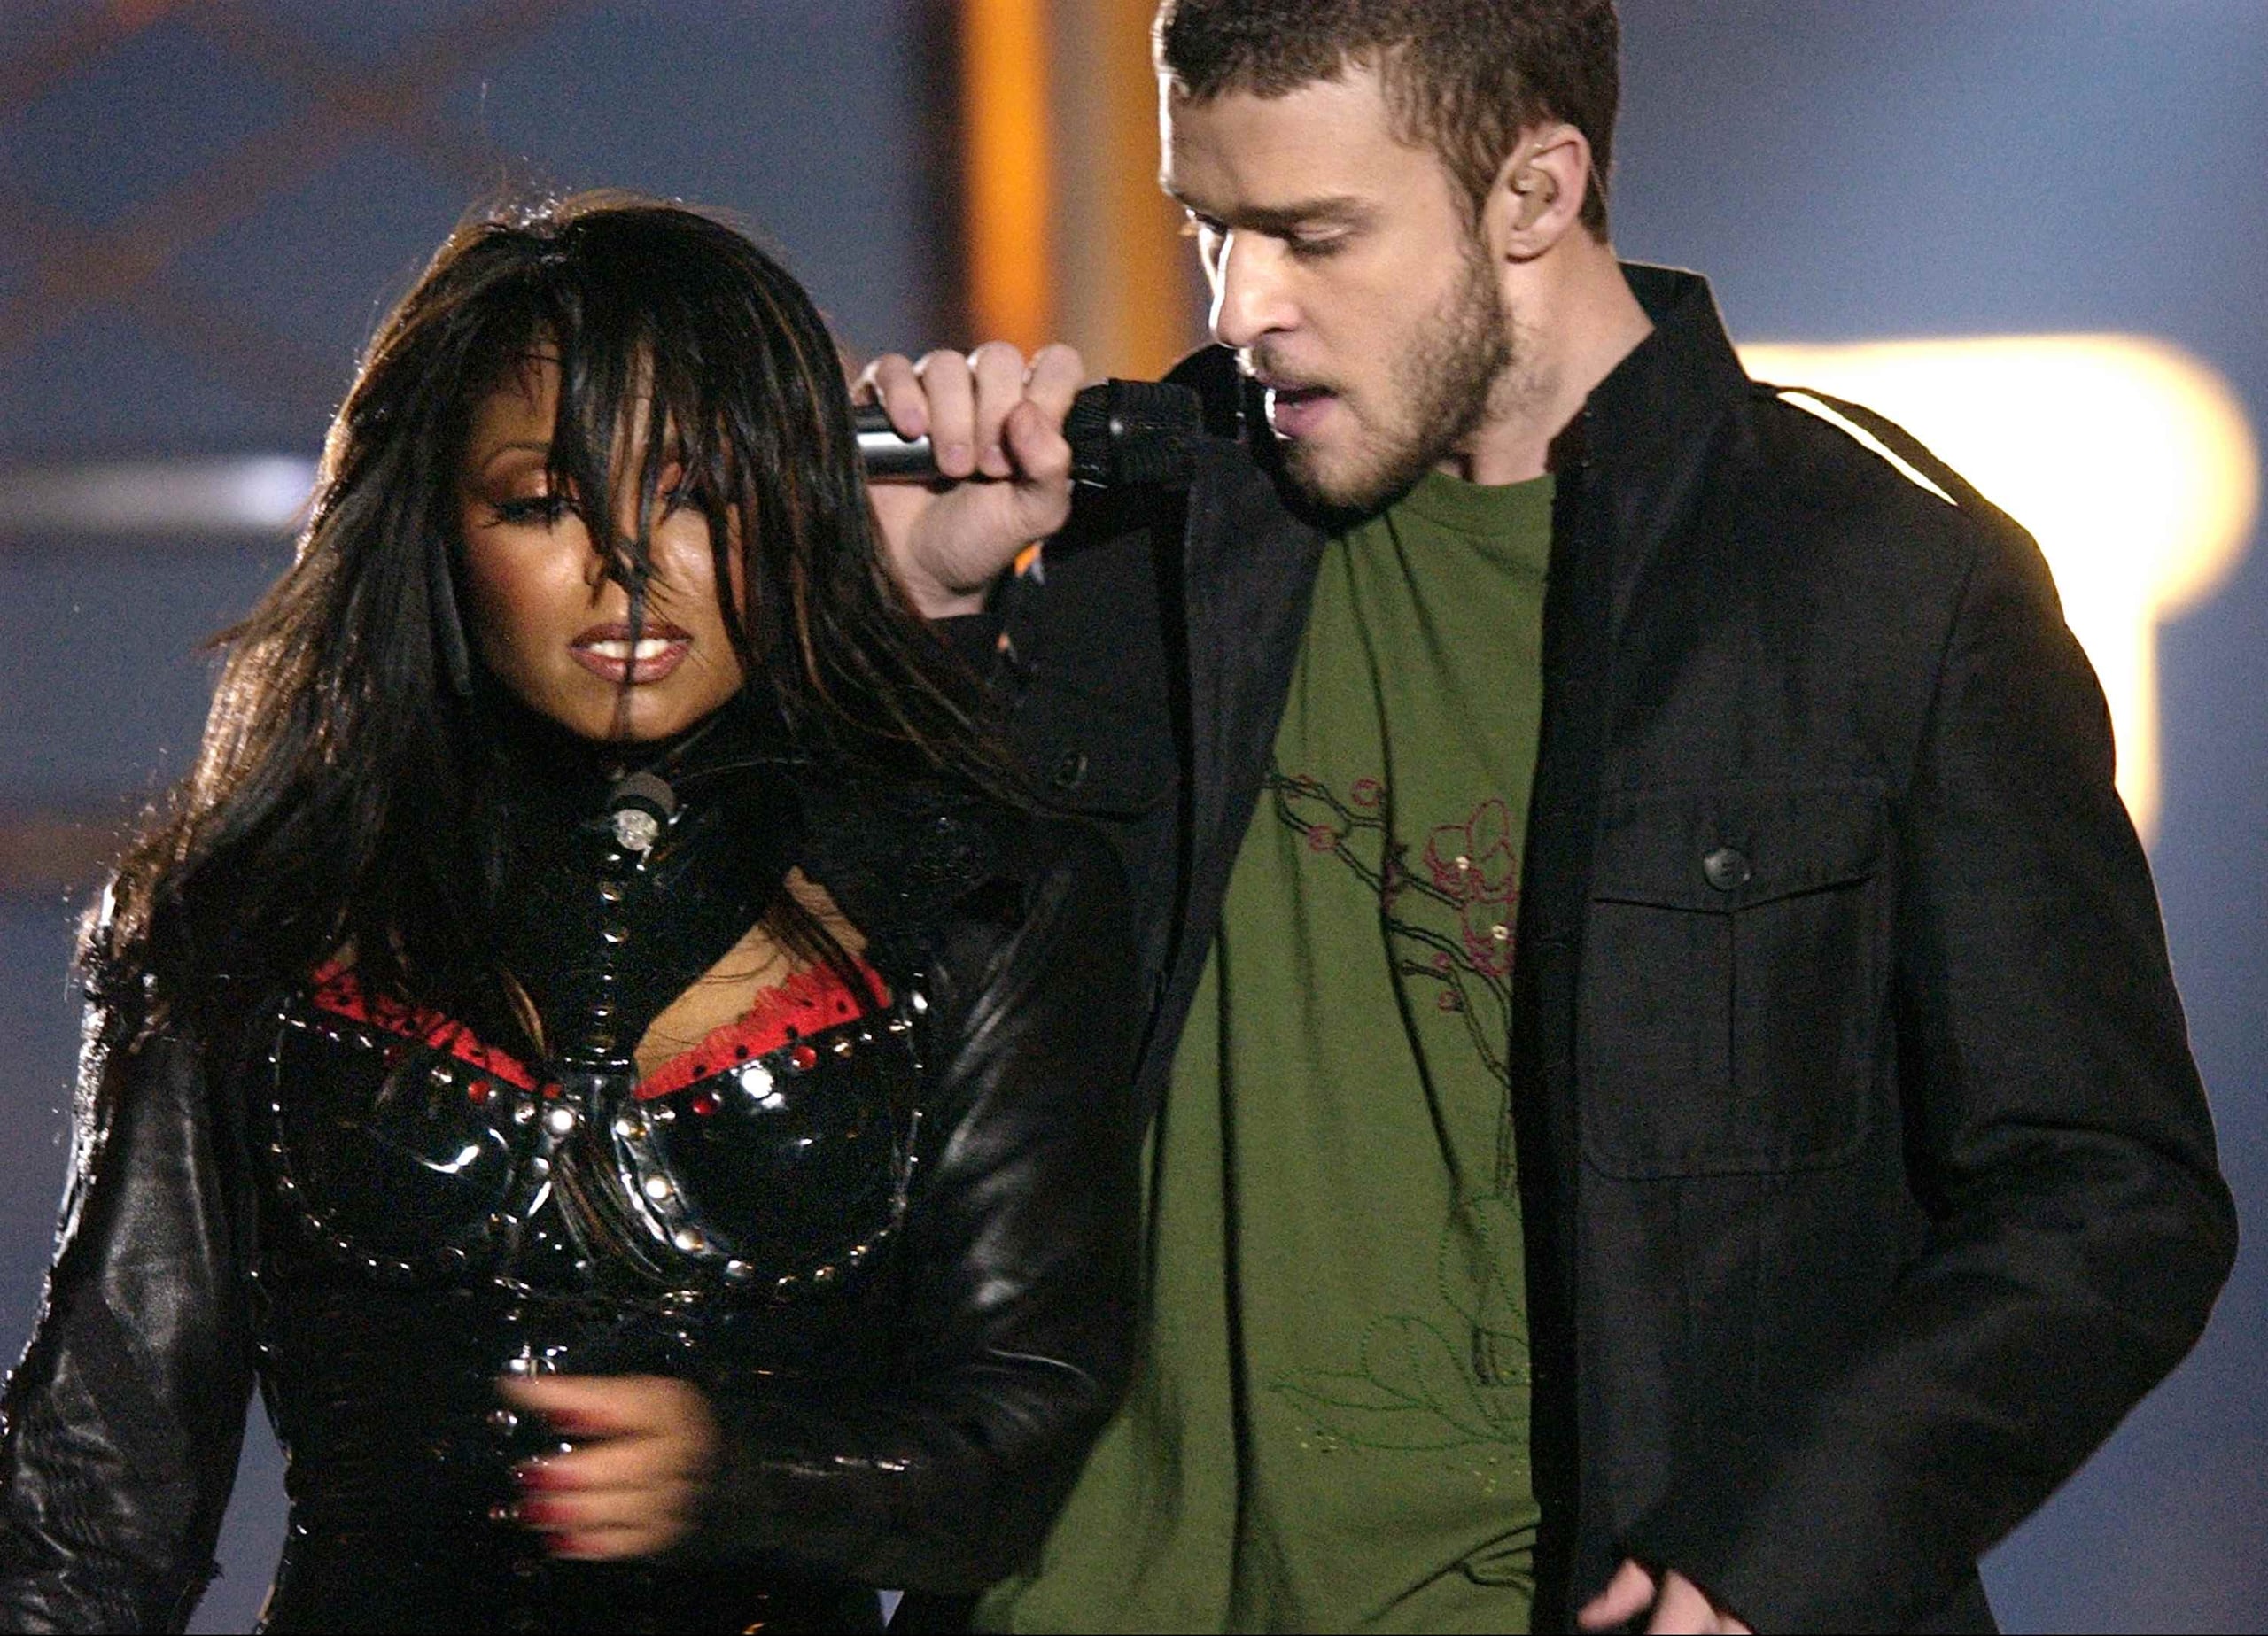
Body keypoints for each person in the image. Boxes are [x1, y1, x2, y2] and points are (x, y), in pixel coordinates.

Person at [856, 2, 2239, 1631]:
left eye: (1315, 236)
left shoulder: (1875, 584)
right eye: (1211, 230)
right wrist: (912, 623)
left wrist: (1788, 1554)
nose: (1244, 311)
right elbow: (884, 1061)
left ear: (1534, 191)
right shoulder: (1134, 538)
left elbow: (2106, 1194)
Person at [0, 193, 1141, 1634]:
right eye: (544, 503)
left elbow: (1026, 1428)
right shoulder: (240, 922)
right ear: (434, 524)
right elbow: (96, 1495)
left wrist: (740, 1479)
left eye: (700, 491)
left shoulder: (985, 901)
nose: (631, 563)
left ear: (790, 504)